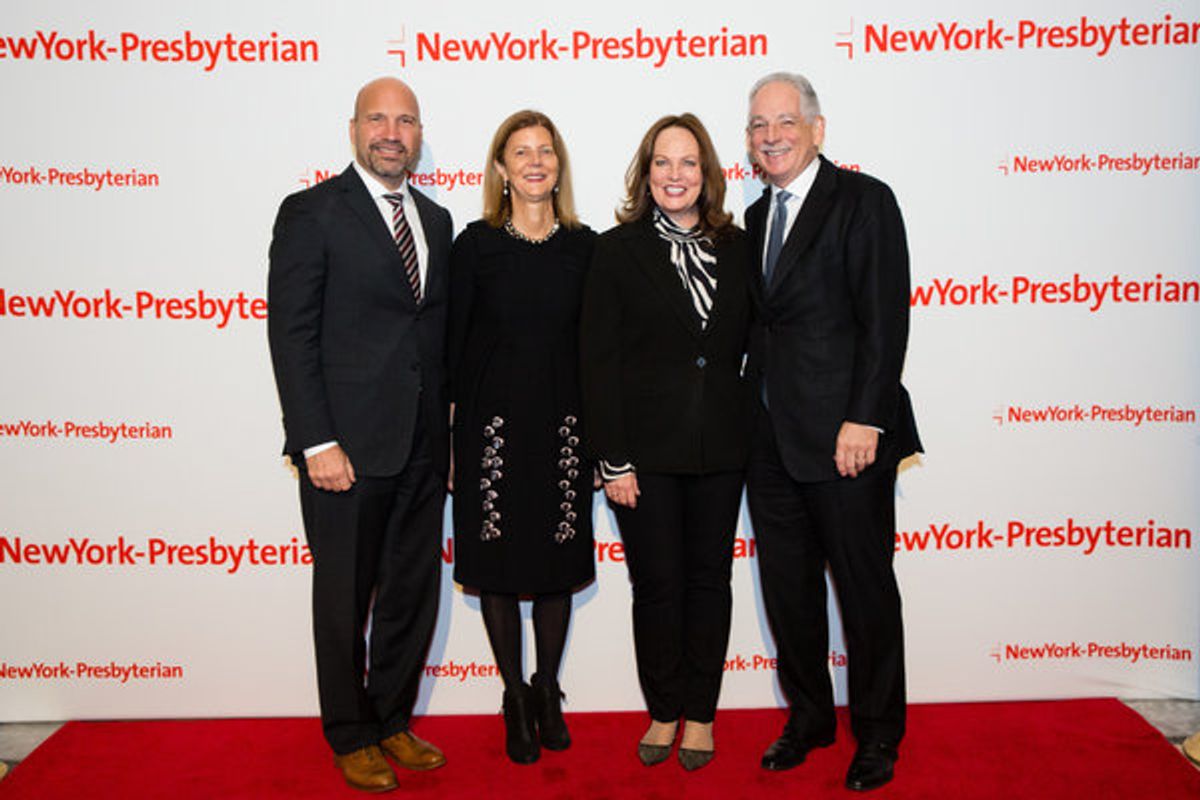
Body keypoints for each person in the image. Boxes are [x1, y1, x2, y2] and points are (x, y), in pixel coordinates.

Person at [267, 76, 453, 793]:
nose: (392, 132)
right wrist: (315, 440)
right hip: (343, 450)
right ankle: (349, 734)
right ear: (354, 129)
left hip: (420, 448)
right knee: (344, 598)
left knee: (411, 593)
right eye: (379, 118)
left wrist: (448, 435)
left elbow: (432, 335)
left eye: (405, 120)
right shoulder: (312, 212)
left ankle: (392, 720)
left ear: (418, 134)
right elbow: (292, 333)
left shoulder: (435, 220)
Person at [742, 72, 922, 792]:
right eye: (757, 125)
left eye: (785, 121)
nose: (771, 135)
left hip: (849, 440)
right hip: (772, 444)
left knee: (865, 592)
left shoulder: (864, 201)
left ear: (817, 128)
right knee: (789, 594)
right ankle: (810, 718)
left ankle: (878, 733)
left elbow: (886, 318)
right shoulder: (756, 220)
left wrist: (866, 416)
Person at [580, 113, 753, 771]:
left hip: (722, 452)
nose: (674, 175)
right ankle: (662, 709)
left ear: (706, 173)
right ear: (645, 173)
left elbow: (756, 346)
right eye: (662, 162)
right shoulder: (616, 250)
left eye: (687, 163)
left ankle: (702, 715)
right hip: (642, 461)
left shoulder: (739, 248)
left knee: (710, 582)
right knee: (657, 586)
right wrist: (612, 456)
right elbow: (597, 361)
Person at [448, 110, 596, 765]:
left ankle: (545, 690)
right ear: (501, 168)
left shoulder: (585, 247)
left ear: (558, 165)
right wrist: (451, 443)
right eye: (521, 152)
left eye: (546, 151)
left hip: (564, 431)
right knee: (501, 572)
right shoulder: (473, 246)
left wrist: (604, 441)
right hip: (491, 435)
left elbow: (599, 352)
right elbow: (453, 351)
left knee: (558, 571)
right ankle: (512, 695)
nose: (535, 162)